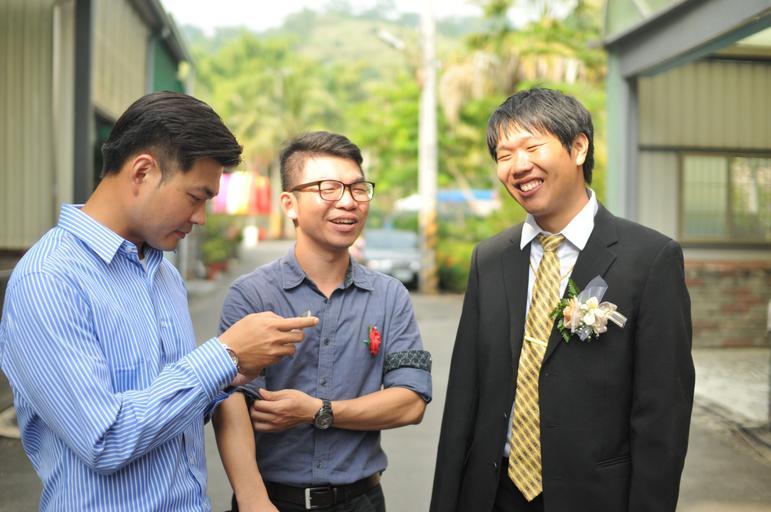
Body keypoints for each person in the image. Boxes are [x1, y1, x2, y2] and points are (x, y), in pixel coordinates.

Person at [0, 91, 317, 511]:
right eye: (196, 196)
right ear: (143, 171)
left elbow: (165, 412)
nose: (201, 217)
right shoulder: (50, 279)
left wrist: (231, 374)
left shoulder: (163, 273)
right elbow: (106, 440)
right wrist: (223, 355)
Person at [430, 88, 694, 512]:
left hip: (595, 498)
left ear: (578, 147)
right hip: (494, 496)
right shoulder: (490, 258)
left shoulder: (649, 258)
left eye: (532, 147)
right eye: (504, 155)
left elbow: (662, 412)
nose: (518, 166)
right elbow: (465, 397)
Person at [213, 131, 432, 512]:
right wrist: (252, 500)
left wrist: (318, 410)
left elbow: (410, 402)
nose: (348, 201)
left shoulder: (389, 296)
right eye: (328, 189)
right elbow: (230, 402)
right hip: (272, 500)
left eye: (358, 188)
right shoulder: (253, 295)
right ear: (290, 204)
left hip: (361, 501)